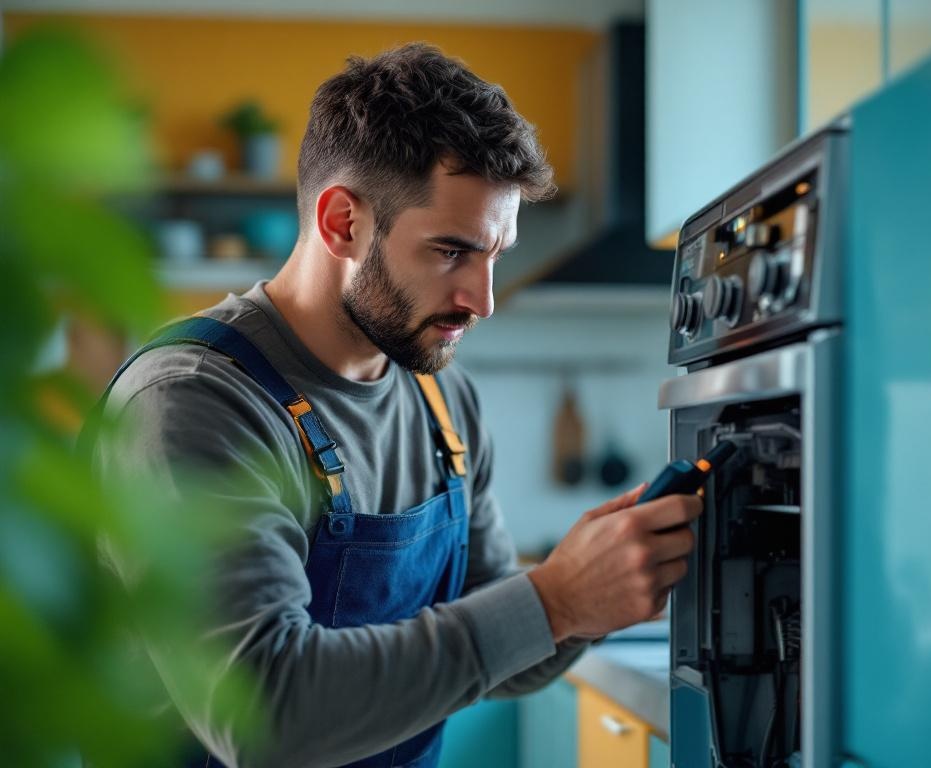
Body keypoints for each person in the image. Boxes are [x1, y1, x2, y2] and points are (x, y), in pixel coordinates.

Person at [91, 44, 701, 768]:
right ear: (341, 222)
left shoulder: (443, 399)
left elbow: (502, 648)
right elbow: (267, 715)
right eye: (450, 252)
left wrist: (599, 591)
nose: (483, 300)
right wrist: (555, 601)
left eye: (494, 255)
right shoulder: (194, 401)